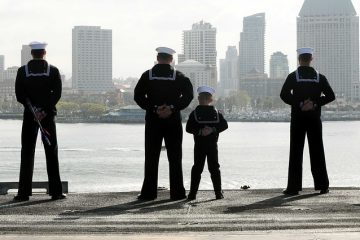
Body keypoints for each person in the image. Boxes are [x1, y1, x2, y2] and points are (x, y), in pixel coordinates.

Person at [134, 47, 193, 201]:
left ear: (157, 58)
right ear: (171, 60)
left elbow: (138, 96)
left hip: (153, 120)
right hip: (173, 120)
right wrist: (172, 108)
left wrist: (154, 108)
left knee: (151, 156)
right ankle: (177, 192)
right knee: (175, 157)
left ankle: (148, 193)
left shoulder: (148, 75)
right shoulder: (179, 76)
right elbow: (188, 95)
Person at [14, 41, 66, 201]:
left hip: (30, 116)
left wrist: (34, 110)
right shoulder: (53, 71)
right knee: (52, 152)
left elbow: (19, 94)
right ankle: (56, 192)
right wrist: (44, 110)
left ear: (32, 54)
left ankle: (23, 193)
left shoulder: (23, 71)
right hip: (48, 117)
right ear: (44, 53)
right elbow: (56, 94)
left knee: (27, 152)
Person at [280, 47, 335, 196]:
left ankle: (293, 187)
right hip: (314, 119)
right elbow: (331, 96)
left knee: (296, 152)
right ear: (311, 59)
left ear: (299, 59)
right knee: (317, 151)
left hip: (298, 118)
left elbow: (283, 95)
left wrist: (299, 104)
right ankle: (323, 186)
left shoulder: (293, 76)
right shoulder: (320, 77)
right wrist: (315, 104)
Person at [186, 86, 228, 200]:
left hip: (199, 144)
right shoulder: (216, 113)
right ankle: (218, 193)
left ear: (199, 99)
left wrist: (200, 132)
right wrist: (213, 129)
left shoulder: (194, 113)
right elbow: (224, 125)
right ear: (211, 100)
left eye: (203, 98)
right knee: (214, 168)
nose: (202, 100)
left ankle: (192, 194)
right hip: (212, 145)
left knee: (197, 169)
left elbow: (188, 128)